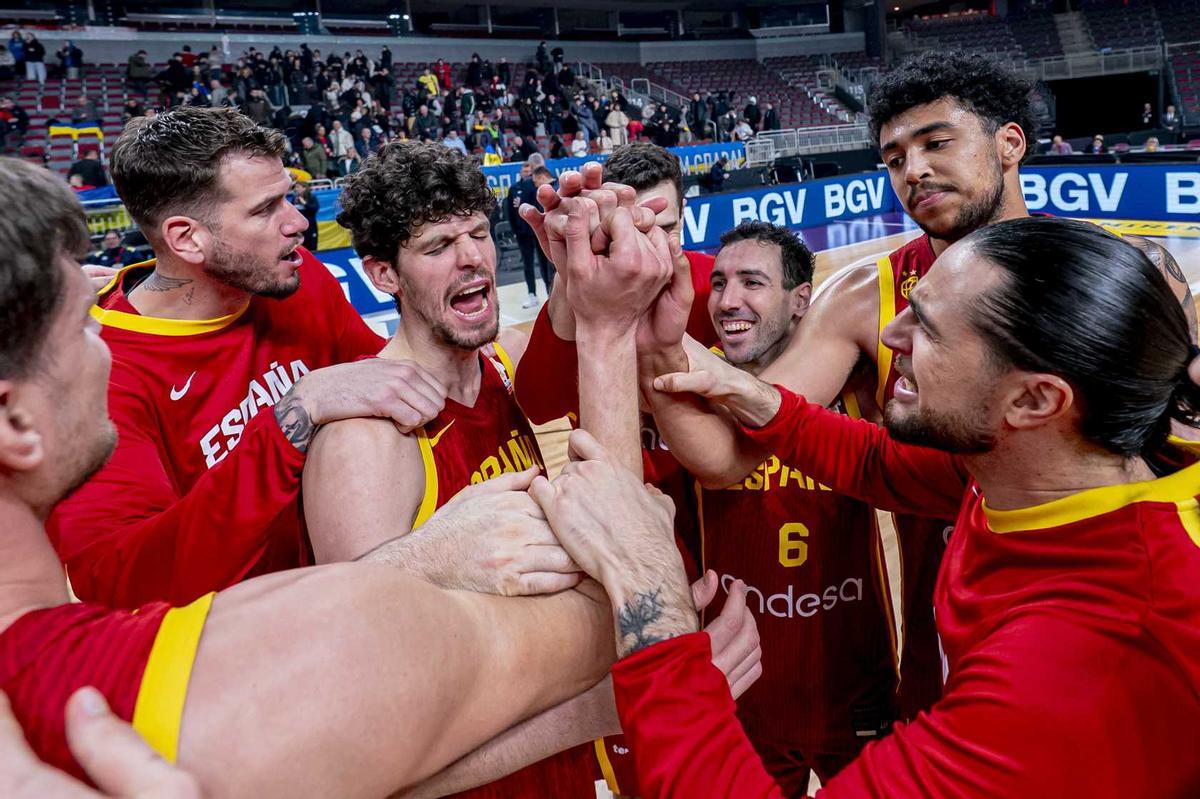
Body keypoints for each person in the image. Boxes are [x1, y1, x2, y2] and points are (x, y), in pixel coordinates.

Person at [0, 154, 660, 799]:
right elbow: (628, 611)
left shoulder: (308, 290)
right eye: (84, 323)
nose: (110, 339)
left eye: (478, 234)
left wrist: (581, 300)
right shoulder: (137, 688)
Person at [635, 49, 1198, 725]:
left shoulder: (1117, 278)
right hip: (946, 637)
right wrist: (653, 332)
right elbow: (729, 457)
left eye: (937, 143)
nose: (915, 170)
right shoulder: (862, 297)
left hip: (1108, 623)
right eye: (895, 157)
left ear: (1009, 142)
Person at [609, 215, 1200, 798]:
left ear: (1034, 398)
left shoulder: (1079, 661)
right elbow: (874, 462)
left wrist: (649, 597)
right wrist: (748, 390)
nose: (890, 337)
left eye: (929, 329)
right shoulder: (1036, 470)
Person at [44, 106, 446, 608]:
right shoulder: (97, 373)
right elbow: (122, 581)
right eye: (265, 209)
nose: (298, 222)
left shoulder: (299, 281)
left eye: (288, 198)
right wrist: (291, 417)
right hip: (240, 651)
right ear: (186, 237)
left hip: (351, 604)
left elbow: (403, 397)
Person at [690, 221, 900, 792]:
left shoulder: (857, 384)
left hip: (854, 683)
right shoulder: (686, 389)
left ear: (800, 300)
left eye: (752, 282)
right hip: (742, 688)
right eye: (719, 283)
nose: (729, 301)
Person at [508, 163, 556, 309]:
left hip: (540, 232)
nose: (527, 174)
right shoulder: (515, 189)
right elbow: (510, 211)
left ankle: (552, 295)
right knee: (529, 264)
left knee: (548, 264)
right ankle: (532, 294)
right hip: (524, 233)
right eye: (525, 171)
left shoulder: (543, 189)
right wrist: (515, 230)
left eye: (529, 172)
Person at [293, 181, 320, 251]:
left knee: (312, 248)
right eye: (295, 187)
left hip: (311, 227)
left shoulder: (311, 197)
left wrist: (304, 203)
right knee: (301, 249)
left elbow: (315, 209)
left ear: (304, 188)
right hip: (299, 229)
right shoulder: (294, 198)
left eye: (298, 187)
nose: (296, 189)